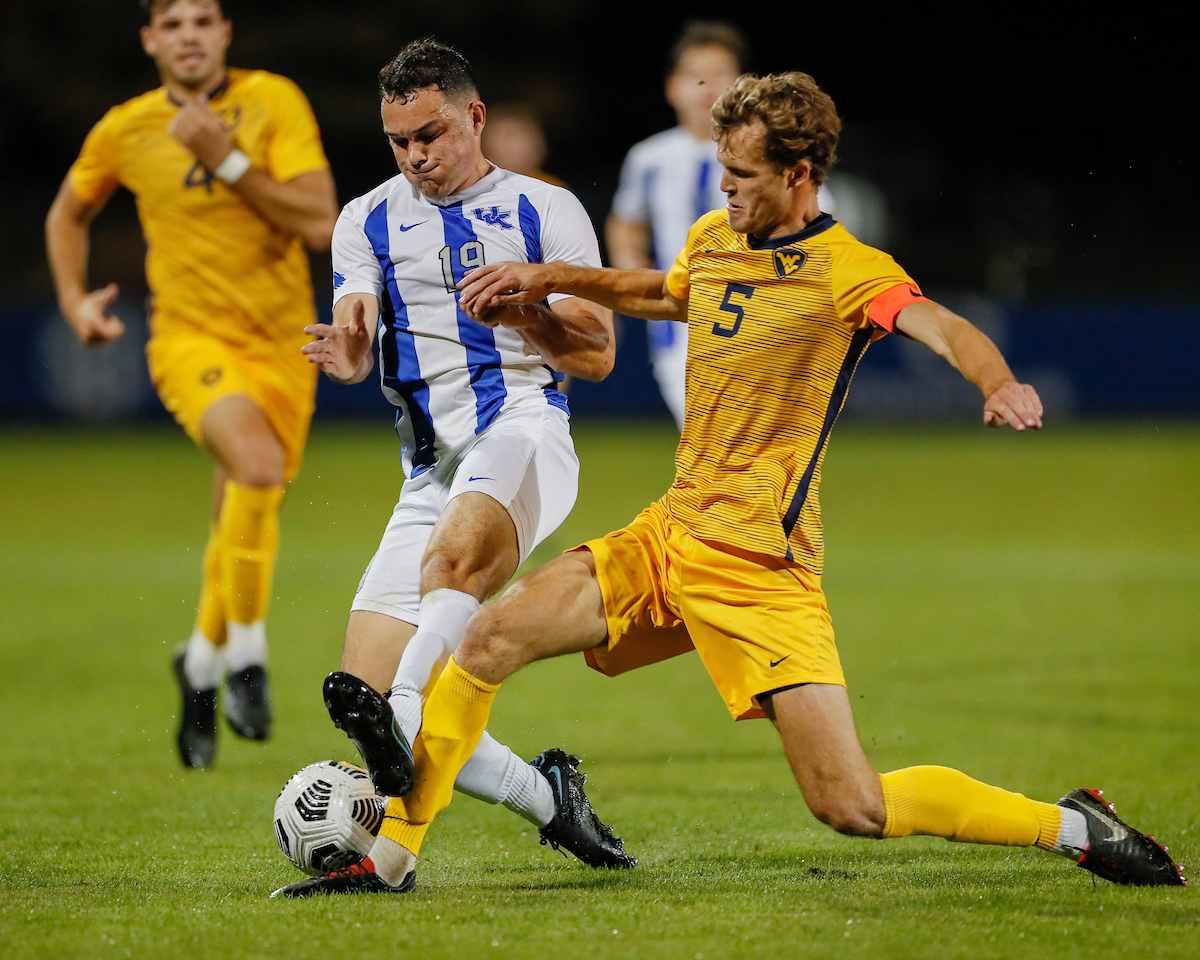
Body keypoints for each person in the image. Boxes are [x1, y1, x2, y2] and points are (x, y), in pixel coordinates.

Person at [275, 71, 1186, 896]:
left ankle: (1069, 824)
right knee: (484, 642)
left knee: (851, 804)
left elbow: (940, 325)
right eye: (720, 170)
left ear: (799, 175)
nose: (722, 190)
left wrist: (998, 382)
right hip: (670, 538)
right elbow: (668, 291)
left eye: (741, 175)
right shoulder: (717, 237)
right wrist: (551, 278)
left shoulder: (847, 273)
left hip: (760, 568)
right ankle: (387, 861)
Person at [292, 38, 632, 886]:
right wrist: (348, 346)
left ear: (474, 117)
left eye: (432, 134)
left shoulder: (544, 210)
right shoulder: (367, 216)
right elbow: (356, 310)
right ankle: (553, 799)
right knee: (377, 710)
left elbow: (596, 356)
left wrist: (528, 312)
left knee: (422, 647)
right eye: (400, 141)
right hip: (427, 475)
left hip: (523, 438)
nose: (417, 156)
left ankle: (391, 857)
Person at [44, 0, 338, 769]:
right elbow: (67, 215)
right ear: (149, 40)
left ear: (225, 33)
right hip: (189, 339)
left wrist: (227, 157)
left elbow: (318, 220)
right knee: (258, 468)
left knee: (242, 510)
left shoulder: (273, 100)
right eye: (171, 23)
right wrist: (74, 298)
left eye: (202, 20)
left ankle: (198, 668)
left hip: (283, 344)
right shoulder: (124, 128)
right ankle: (246, 656)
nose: (188, 36)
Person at [606, 21, 744, 428]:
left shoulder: (771, 153)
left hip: (755, 313)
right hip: (678, 320)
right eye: (695, 75)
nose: (708, 86)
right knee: (708, 440)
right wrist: (630, 272)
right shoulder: (651, 158)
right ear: (673, 88)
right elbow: (626, 221)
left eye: (719, 73)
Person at [481, 104, 564, 187]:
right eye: (498, 134)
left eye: (515, 134)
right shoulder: (477, 187)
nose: (508, 145)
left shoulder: (551, 187)